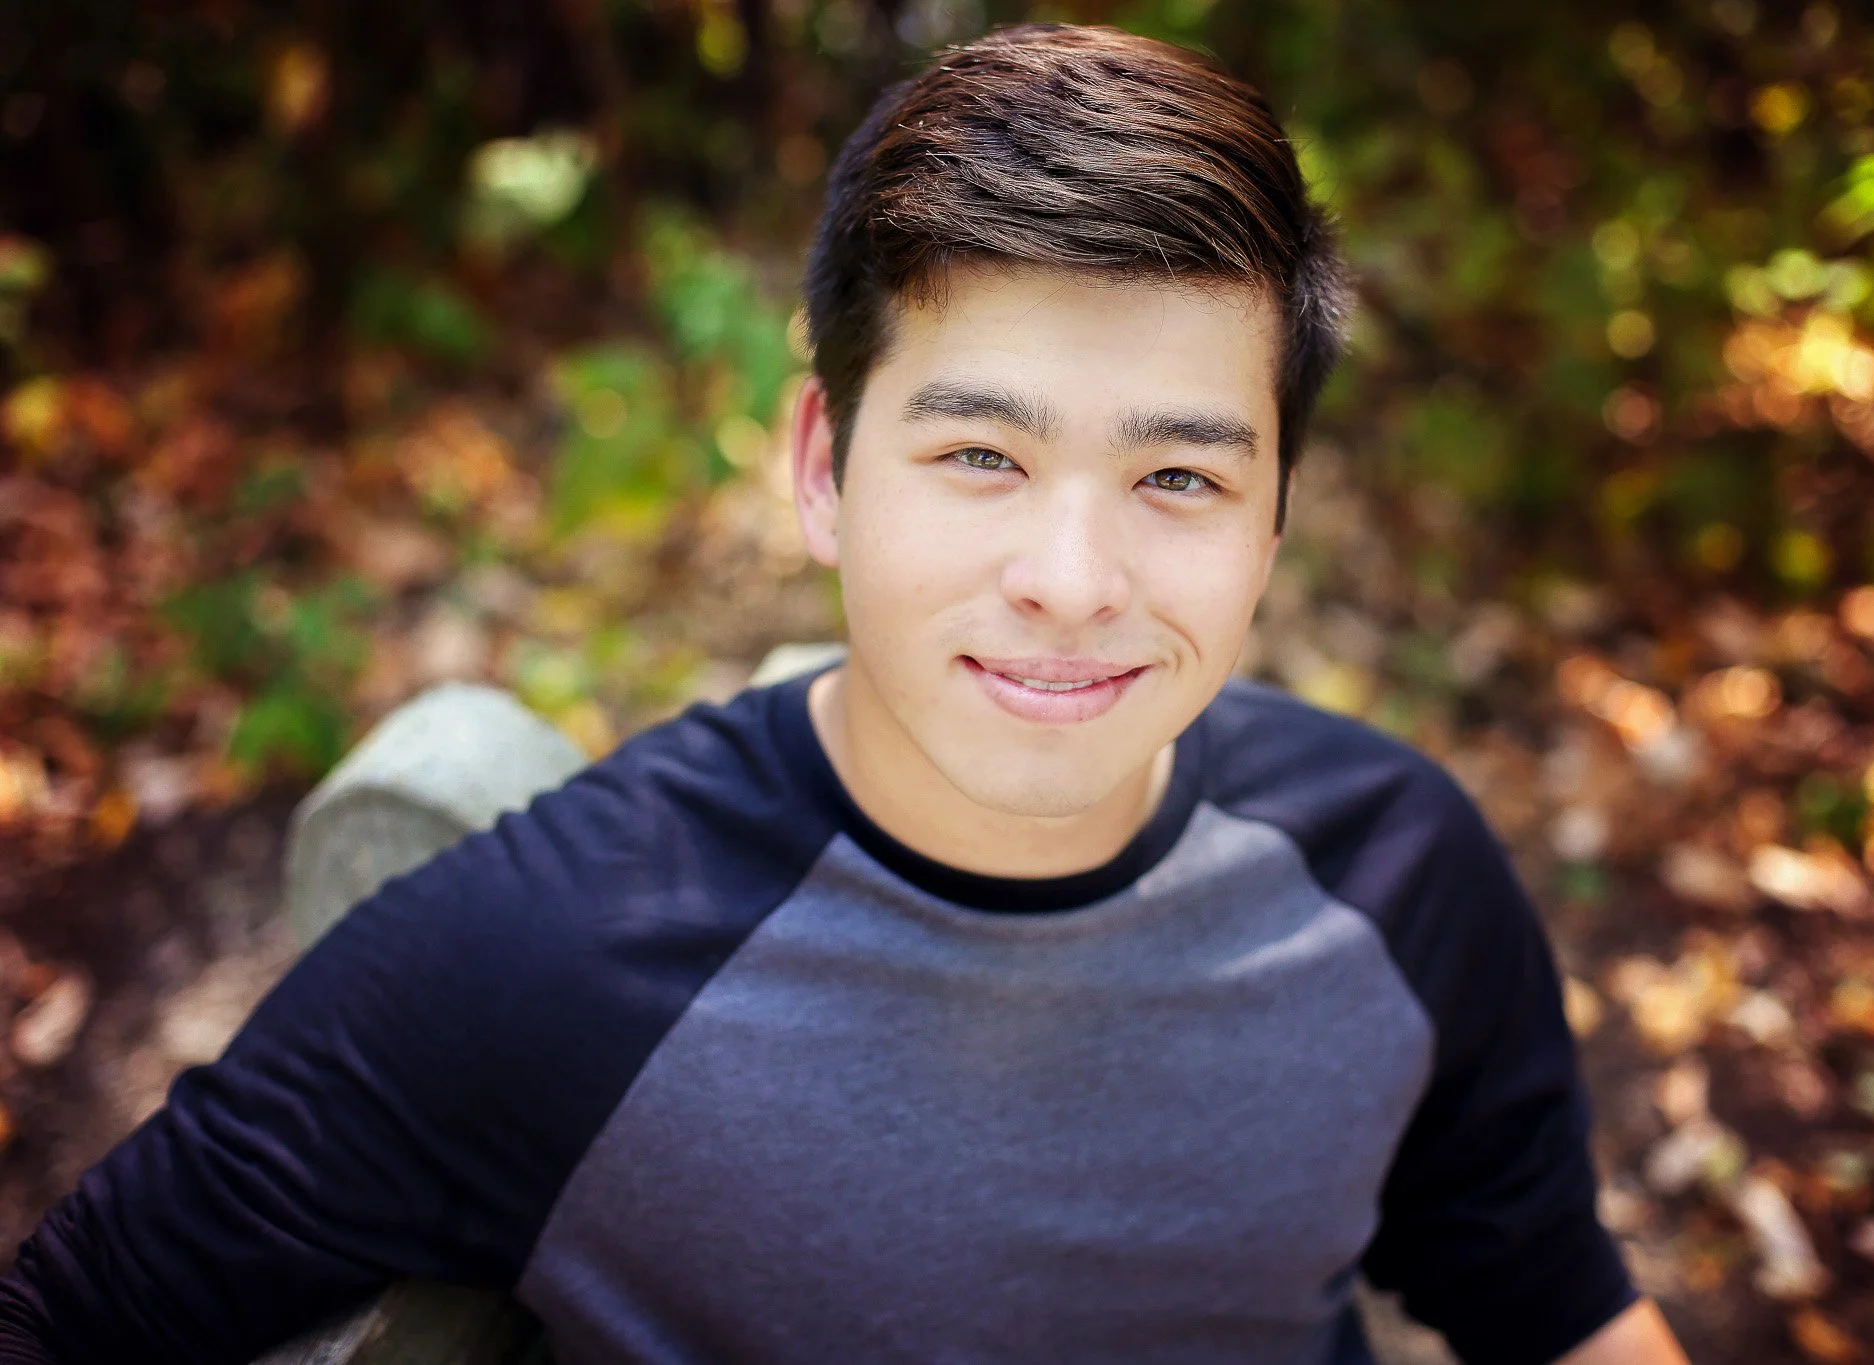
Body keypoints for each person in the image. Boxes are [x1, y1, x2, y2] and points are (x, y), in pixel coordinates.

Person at [0, 24, 1691, 1365]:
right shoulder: (556, 962)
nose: (1074, 577)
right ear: (823, 466)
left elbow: (1554, 1306)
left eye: (1179, 478)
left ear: (1273, 519)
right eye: (980, 453)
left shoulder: (1393, 873)